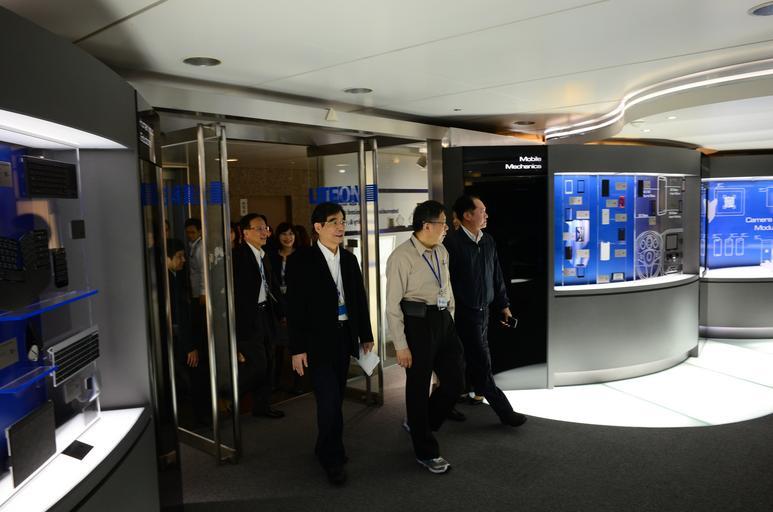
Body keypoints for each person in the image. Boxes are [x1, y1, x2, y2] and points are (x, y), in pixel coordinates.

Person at [286, 202, 374, 486]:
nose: (340, 227)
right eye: (334, 221)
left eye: (343, 221)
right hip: (316, 341)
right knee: (329, 401)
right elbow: (294, 308)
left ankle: (324, 445)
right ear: (318, 227)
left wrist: (366, 335)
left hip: (344, 336)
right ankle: (332, 458)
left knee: (335, 396)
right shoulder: (301, 260)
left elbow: (359, 299)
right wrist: (297, 348)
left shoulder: (348, 259)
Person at [385, 200, 465, 474]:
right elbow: (392, 306)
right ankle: (426, 452)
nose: (447, 228)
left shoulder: (442, 251)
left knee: (455, 381)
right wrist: (401, 345)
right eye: (443, 223)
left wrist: (449, 318)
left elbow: (447, 288)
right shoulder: (401, 257)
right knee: (418, 388)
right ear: (426, 225)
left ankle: (421, 422)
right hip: (417, 324)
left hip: (443, 321)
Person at [444, 194, 527, 427]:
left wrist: (504, 305)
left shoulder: (488, 240)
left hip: (484, 312)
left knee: (464, 360)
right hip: (463, 314)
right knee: (481, 361)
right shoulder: (451, 244)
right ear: (467, 215)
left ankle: (444, 405)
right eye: (482, 211)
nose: (486, 215)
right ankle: (505, 412)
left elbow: (496, 275)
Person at [232, 213, 285, 419]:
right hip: (248, 318)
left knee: (270, 362)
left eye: (266, 228)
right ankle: (230, 395)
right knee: (258, 365)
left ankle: (262, 406)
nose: (265, 232)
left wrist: (282, 312)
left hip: (266, 315)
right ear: (245, 233)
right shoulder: (237, 257)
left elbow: (272, 287)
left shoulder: (264, 255)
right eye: (259, 229)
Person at [268, 222, 303, 394]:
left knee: (296, 344)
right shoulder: (270, 256)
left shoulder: (302, 255)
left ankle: (299, 383)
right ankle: (275, 382)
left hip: (296, 305)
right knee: (277, 346)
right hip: (276, 304)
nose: (287, 237)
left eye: (291, 234)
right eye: (283, 234)